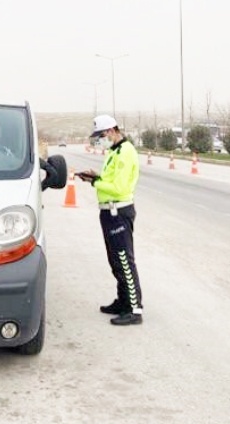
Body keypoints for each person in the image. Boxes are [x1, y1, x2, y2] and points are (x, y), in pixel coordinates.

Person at [77, 115, 143, 326]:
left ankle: (134, 309)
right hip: (108, 212)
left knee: (124, 261)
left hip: (119, 212)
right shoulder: (113, 152)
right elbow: (110, 181)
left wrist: (95, 181)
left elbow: (120, 188)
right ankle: (122, 301)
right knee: (115, 262)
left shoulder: (125, 152)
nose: (100, 139)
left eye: (102, 135)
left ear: (113, 131)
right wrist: (95, 177)